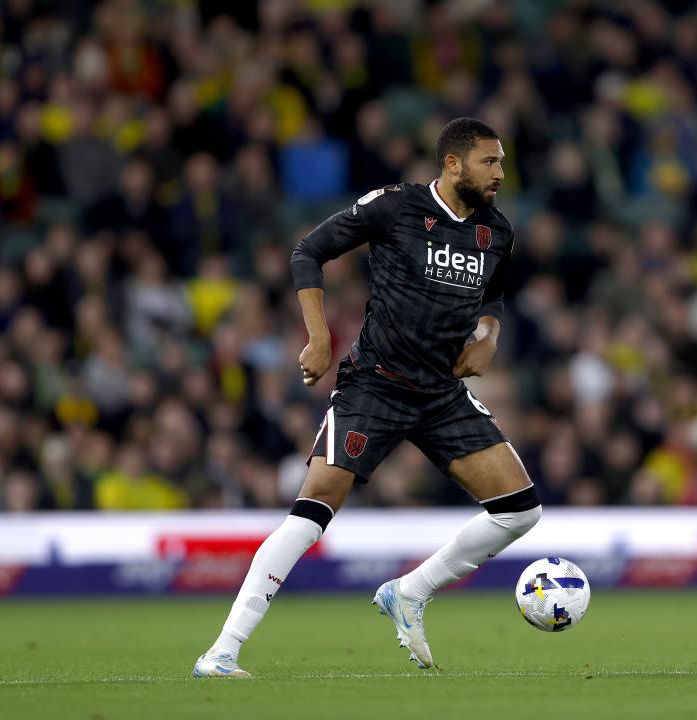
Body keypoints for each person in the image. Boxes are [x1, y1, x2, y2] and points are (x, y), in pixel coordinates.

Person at [193, 118, 542, 677]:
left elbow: (492, 298)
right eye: (489, 161)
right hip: (375, 384)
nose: (500, 172)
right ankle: (223, 651)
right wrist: (318, 337)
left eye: (501, 161)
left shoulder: (496, 231)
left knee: (520, 510)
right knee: (313, 507)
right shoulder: (396, 206)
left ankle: (410, 591)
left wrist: (489, 338)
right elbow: (308, 251)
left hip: (441, 392)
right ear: (453, 163)